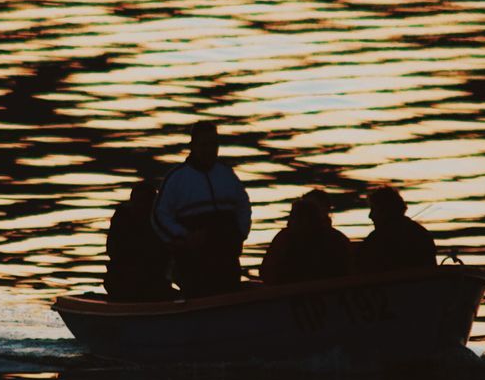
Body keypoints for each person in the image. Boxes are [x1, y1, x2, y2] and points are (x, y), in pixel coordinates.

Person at [151, 121, 251, 297]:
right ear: (192, 146)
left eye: (213, 144)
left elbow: (243, 206)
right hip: (194, 263)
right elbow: (159, 216)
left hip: (227, 260)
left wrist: (240, 233)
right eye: (203, 145)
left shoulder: (227, 175)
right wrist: (184, 236)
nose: (209, 150)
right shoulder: (177, 178)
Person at [259, 189, 353, 284]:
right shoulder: (337, 238)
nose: (288, 222)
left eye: (293, 217)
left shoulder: (286, 238)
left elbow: (267, 272)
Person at [104, 179, 174, 302]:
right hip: (126, 282)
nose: (140, 206)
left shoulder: (161, 220)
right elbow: (114, 251)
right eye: (137, 202)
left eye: (144, 202)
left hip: (152, 282)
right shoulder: (123, 219)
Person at [356, 185, 436, 273]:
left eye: (373, 209)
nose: (370, 216)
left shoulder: (377, 239)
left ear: (384, 211)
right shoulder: (422, 233)